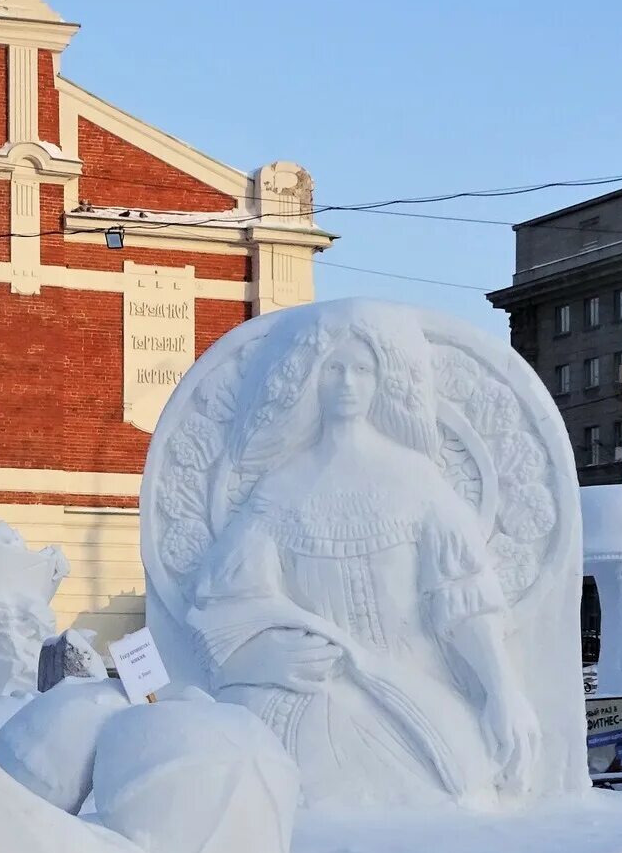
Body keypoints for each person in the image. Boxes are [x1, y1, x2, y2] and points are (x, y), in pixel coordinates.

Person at [186, 308, 540, 808]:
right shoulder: (282, 490)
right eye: (333, 368)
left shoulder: (415, 481)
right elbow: (223, 608)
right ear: (311, 378)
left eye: (362, 369)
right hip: (309, 700)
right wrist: (260, 659)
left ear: (384, 380)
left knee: (460, 791)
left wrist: (503, 691)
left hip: (415, 693)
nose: (347, 383)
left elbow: (463, 600)